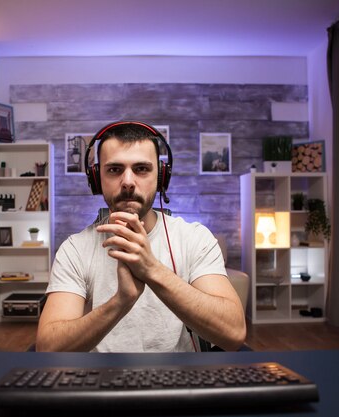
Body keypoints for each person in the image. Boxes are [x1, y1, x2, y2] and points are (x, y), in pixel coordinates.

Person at [36, 121, 245, 352]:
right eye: (114, 169)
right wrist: (120, 302)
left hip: (179, 382)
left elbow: (234, 333)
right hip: (101, 381)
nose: (127, 182)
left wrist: (152, 270)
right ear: (97, 179)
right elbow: (48, 348)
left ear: (161, 176)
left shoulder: (195, 238)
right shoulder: (75, 249)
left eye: (141, 169)